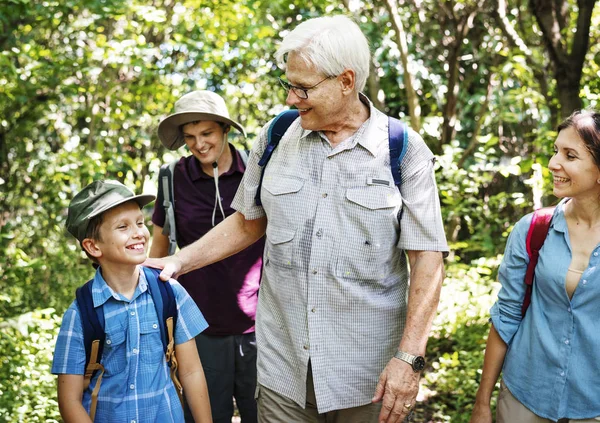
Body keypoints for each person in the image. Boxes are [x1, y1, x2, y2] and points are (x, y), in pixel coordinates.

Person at [146, 15, 448, 423]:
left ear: (346, 81)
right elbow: (248, 220)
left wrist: (408, 359)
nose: (291, 98)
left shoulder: (403, 151)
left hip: (367, 376)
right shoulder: (276, 137)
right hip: (282, 370)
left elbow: (427, 260)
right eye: (288, 85)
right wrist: (178, 261)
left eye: (303, 88)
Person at [470, 110, 600, 423]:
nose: (554, 163)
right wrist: (482, 403)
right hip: (525, 397)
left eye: (570, 155)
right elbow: (507, 315)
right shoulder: (533, 229)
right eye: (556, 151)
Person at [52, 179, 212, 423]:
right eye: (123, 227)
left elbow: (191, 372)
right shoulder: (81, 314)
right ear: (93, 246)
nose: (138, 232)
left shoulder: (169, 292)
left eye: (140, 222)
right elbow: (69, 400)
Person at [151, 90, 263, 423]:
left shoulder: (256, 172)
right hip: (197, 326)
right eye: (189, 138)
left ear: (225, 129)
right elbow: (160, 244)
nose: (199, 144)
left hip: (260, 324)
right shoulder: (173, 178)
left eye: (206, 134)